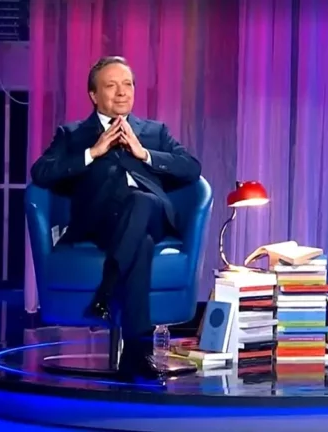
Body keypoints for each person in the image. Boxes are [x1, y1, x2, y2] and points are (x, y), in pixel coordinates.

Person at [30, 56, 201, 379]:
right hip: (101, 223)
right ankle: (136, 355)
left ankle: (106, 290)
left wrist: (144, 153)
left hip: (153, 214)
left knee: (140, 201)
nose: (122, 92)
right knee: (142, 245)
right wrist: (92, 153)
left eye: (128, 84)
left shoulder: (154, 132)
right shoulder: (73, 134)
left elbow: (191, 168)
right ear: (94, 95)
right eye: (111, 86)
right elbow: (41, 172)